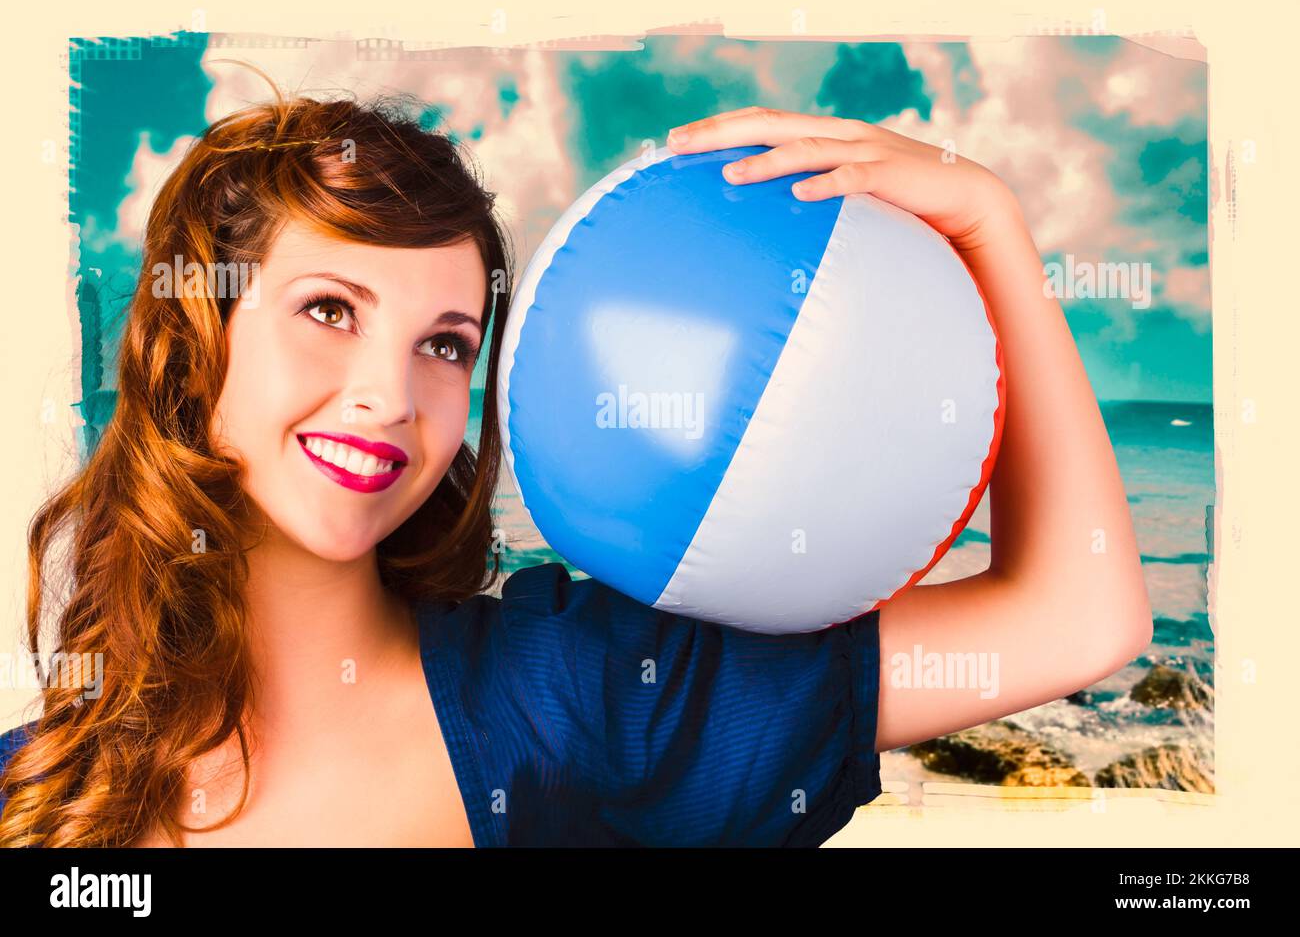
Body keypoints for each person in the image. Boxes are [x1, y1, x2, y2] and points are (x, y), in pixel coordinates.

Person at [0, 80, 1151, 846]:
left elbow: (1073, 616)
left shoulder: (579, 691)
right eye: (330, 309)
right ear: (195, 348)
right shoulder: (34, 786)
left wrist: (991, 227)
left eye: (445, 344)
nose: (390, 396)